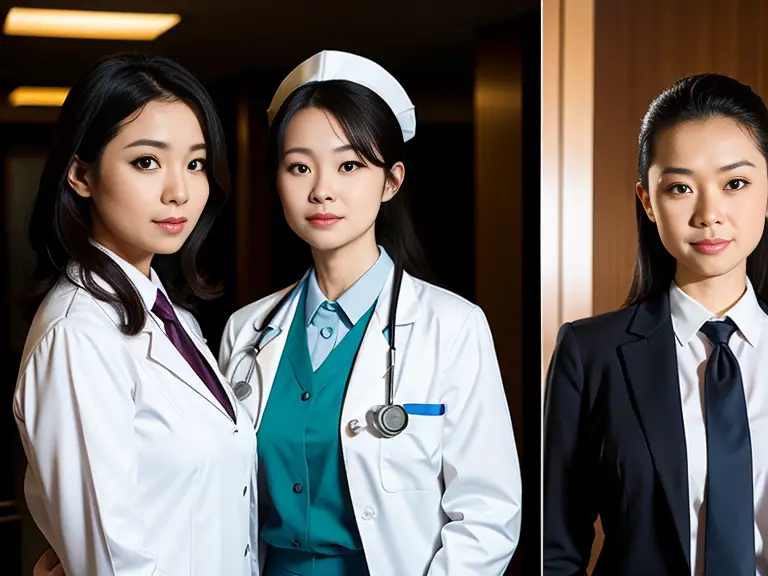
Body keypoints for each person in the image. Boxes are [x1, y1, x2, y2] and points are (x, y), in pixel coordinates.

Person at [220, 50, 522, 576]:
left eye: (350, 165)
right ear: (278, 182)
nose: (322, 189)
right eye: (299, 167)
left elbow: (489, 512)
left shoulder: (452, 326)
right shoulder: (246, 331)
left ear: (391, 181)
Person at [14, 53, 256, 576]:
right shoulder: (78, 337)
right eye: (146, 161)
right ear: (80, 174)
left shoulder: (173, 318)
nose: (180, 191)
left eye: (195, 163)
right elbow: (111, 561)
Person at [543, 73, 768, 575]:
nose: (710, 214)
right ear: (647, 201)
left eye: (736, 183)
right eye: (680, 187)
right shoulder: (589, 353)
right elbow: (555, 548)